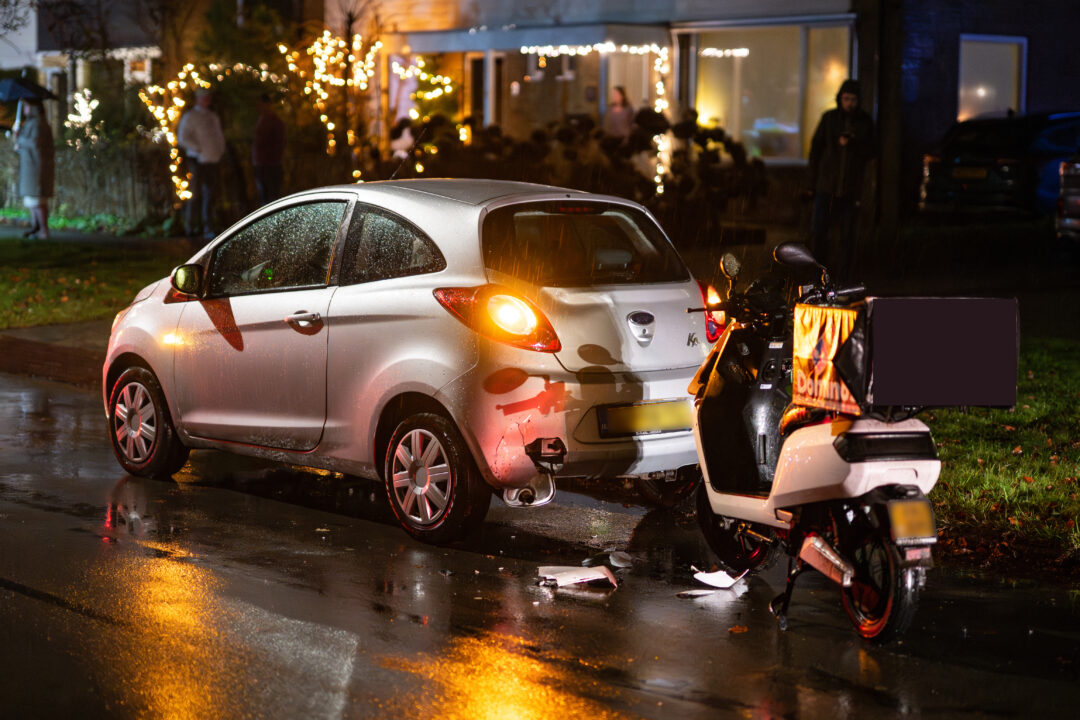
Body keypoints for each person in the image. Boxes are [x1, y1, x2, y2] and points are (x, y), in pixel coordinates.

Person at [808, 79, 875, 281]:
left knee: (848, 238)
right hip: (827, 187)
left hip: (850, 190)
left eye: (853, 99)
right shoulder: (829, 119)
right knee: (819, 234)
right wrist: (811, 184)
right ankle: (818, 276)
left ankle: (843, 279)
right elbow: (816, 151)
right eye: (846, 99)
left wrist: (854, 144)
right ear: (840, 99)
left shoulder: (864, 122)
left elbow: (872, 151)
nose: (849, 103)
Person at [178, 88, 227, 239]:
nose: (207, 100)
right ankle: (191, 226)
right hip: (198, 160)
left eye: (208, 97)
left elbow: (218, 136)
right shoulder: (190, 117)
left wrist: (219, 150)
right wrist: (198, 149)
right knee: (196, 194)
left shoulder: (212, 116)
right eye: (204, 97)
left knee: (210, 195)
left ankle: (208, 226)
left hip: (213, 159)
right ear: (198, 99)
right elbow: (183, 138)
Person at [14, 100, 55, 240]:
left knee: (38, 199)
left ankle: (43, 230)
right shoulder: (33, 123)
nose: (25, 109)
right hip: (31, 166)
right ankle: (36, 227)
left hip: (36, 167)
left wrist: (20, 139)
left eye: (27, 106)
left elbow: (35, 143)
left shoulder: (38, 124)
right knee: (33, 199)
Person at [252, 92, 285, 206]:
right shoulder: (262, 120)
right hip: (262, 164)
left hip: (270, 165)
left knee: (271, 197)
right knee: (265, 195)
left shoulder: (274, 122)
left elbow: (278, 143)